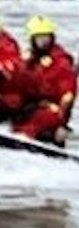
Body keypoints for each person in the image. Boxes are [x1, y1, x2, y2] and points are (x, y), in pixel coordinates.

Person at [11, 16, 75, 147]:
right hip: (29, 106)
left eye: (46, 37)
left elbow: (67, 95)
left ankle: (48, 135)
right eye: (39, 38)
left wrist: (62, 123)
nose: (43, 42)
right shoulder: (28, 60)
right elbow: (17, 84)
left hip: (50, 108)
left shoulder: (61, 62)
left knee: (46, 117)